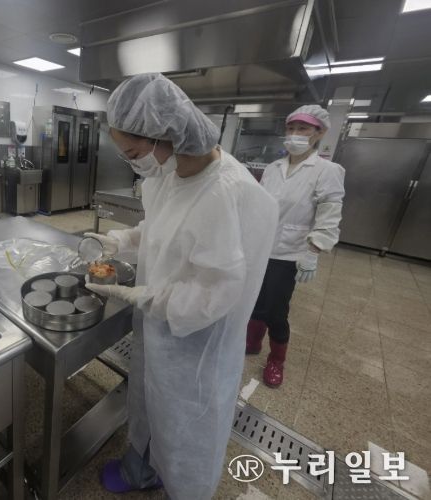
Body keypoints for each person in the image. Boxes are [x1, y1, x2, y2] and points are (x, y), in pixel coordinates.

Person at [83, 73, 278, 500]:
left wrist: (147, 296)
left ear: (165, 136)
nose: (135, 164)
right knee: (149, 398)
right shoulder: (167, 173)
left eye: (135, 153)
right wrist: (123, 240)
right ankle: (141, 468)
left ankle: (184, 489)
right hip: (160, 320)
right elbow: (162, 230)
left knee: (184, 421)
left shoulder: (224, 192)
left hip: (197, 341)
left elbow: (216, 292)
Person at [246, 105, 345, 387]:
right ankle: (252, 342)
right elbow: (260, 206)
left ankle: (276, 360)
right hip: (261, 248)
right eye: (291, 128)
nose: (295, 134)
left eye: (303, 129)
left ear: (319, 133)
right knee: (254, 299)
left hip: (290, 252)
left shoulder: (327, 170)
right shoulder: (273, 168)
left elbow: (329, 214)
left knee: (276, 310)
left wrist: (313, 251)